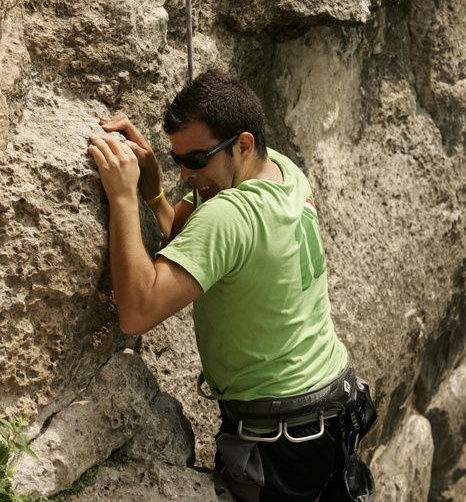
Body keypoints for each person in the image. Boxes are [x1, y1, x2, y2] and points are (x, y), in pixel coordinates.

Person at [88, 69, 376, 502]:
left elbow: (137, 311)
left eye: (197, 160)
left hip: (280, 442)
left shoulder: (229, 216)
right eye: (176, 160)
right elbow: (193, 245)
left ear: (242, 144)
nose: (185, 174)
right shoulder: (280, 168)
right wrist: (153, 193)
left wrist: (124, 197)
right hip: (326, 412)